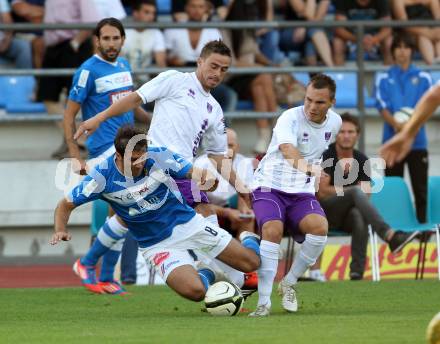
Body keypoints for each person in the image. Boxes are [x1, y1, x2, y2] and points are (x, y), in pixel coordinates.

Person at [74, 40, 257, 293]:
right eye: (213, 66)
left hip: (180, 170)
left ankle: (91, 265)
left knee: (127, 217)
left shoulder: (214, 109)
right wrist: (99, 117)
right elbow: (134, 99)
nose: (217, 73)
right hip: (154, 163)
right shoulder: (174, 79)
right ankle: (234, 283)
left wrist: (241, 186)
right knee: (204, 215)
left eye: (224, 69)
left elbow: (217, 156)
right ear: (200, 61)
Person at [50, 126, 260, 301]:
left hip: (188, 224)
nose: (140, 163)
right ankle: (209, 272)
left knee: (251, 263)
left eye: (142, 158)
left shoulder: (159, 156)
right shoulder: (100, 178)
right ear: (118, 156)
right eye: (133, 159)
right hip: (156, 244)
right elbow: (64, 205)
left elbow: (191, 172)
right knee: (196, 293)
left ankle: (248, 238)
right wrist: (60, 230)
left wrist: (206, 179)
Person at [63, 17, 151, 294]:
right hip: (104, 151)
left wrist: (155, 121)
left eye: (116, 38)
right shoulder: (87, 71)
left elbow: (131, 106)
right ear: (97, 40)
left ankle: (104, 276)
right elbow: (69, 115)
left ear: (123, 40)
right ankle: (89, 265)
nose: (111, 43)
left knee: (122, 214)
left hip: (126, 149)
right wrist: (75, 154)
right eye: (106, 38)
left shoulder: (124, 66)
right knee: (122, 212)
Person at [249, 74, 341, 317]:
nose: (311, 107)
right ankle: (263, 302)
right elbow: (288, 150)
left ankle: (289, 282)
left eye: (319, 102)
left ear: (331, 102)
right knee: (272, 230)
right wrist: (309, 168)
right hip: (269, 185)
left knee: (320, 229)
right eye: (308, 100)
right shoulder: (289, 117)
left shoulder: (336, 123)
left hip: (300, 191)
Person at [317, 113, 420, 280]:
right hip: (324, 213)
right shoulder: (327, 156)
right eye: (342, 132)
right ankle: (389, 234)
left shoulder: (362, 160)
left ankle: (357, 272)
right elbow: (322, 192)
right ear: (336, 135)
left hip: (347, 216)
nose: (346, 136)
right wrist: (351, 190)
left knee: (359, 215)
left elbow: (367, 194)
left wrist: (352, 192)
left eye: (351, 132)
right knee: (356, 192)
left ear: (358, 135)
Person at [375, 33, 432, 222]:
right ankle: (396, 231)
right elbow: (381, 105)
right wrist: (398, 126)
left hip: (417, 143)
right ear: (392, 52)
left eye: (406, 47)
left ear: (412, 51)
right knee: (393, 190)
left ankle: (424, 233)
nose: (402, 51)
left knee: (421, 190)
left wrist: (410, 130)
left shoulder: (423, 76)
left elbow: (427, 107)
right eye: (397, 47)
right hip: (392, 143)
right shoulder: (383, 76)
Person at [37, 0, 101, 159]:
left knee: (75, 97)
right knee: (46, 95)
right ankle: (74, 141)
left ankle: (75, 144)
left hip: (73, 46)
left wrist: (75, 43)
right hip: (53, 48)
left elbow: (90, 20)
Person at [222, 0, 279, 154]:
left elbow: (255, 53)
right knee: (263, 77)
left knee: (259, 87)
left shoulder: (248, 30)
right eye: (251, 14)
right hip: (234, 78)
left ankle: (264, 135)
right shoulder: (225, 30)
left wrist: (270, 64)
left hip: (253, 77)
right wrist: (260, 68)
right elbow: (231, 63)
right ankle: (276, 130)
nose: (255, 18)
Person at [164, 0, 237, 113]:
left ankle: (222, 129)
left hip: (205, 80)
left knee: (229, 95)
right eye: (193, 6)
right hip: (179, 80)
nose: (197, 10)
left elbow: (218, 61)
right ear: (186, 8)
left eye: (201, 7)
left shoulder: (213, 31)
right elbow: (163, 59)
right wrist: (170, 60)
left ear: (206, 9)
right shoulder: (173, 29)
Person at [194, 128, 256, 238]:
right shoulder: (200, 164)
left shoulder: (245, 163)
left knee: (248, 217)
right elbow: (197, 204)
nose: (227, 151)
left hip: (232, 206)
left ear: (238, 146)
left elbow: (244, 193)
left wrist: (244, 210)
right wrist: (226, 212)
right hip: (208, 208)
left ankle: (245, 252)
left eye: (230, 145)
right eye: (222, 147)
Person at [381, 83, 440, 167]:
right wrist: (407, 132)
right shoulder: (383, 78)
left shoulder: (424, 77)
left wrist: (407, 133)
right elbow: (435, 95)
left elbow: (435, 95)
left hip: (417, 144)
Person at [121, 0, 166, 88]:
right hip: (122, 82)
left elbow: (161, 64)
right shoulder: (122, 31)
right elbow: (117, 61)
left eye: (153, 13)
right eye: (146, 12)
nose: (151, 16)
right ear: (135, 13)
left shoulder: (156, 33)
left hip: (145, 84)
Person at [333, 0, 392, 65]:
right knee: (337, 42)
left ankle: (390, 73)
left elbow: (387, 29)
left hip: (374, 38)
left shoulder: (382, 1)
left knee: (389, 42)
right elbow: (339, 29)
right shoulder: (343, 1)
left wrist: (373, 40)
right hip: (351, 38)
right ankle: (340, 74)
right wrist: (358, 39)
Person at [279, 0, 334, 67]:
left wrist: (305, 27)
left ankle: (314, 73)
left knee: (311, 39)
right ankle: (331, 68)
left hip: (311, 32)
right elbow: (305, 14)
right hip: (290, 32)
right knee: (313, 33)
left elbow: (319, 19)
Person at [392, 0, 440, 65]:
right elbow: (404, 25)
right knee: (423, 38)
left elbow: (438, 20)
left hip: (431, 29)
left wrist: (435, 31)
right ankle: (432, 65)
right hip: (411, 33)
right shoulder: (398, 1)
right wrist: (426, 32)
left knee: (438, 36)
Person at [0, 0, 32, 69]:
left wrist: (6, 42)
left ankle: (25, 79)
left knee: (23, 46)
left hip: (1, 43)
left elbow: (8, 21)